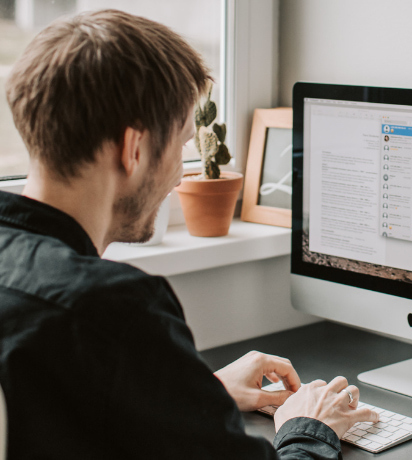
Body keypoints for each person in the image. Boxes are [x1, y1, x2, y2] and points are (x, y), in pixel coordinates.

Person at [0, 10, 377, 459]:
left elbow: (55, 409)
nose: (180, 174)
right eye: (181, 146)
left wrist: (197, 392)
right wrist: (309, 426)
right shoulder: (113, 311)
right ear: (133, 149)